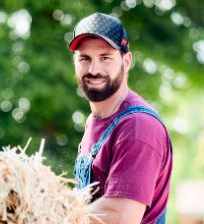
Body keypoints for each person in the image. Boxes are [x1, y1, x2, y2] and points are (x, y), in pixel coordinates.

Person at [69, 12, 172, 224]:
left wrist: (49, 214)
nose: (93, 69)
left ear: (126, 61)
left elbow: (121, 216)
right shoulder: (94, 121)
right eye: (84, 58)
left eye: (105, 58)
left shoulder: (138, 126)